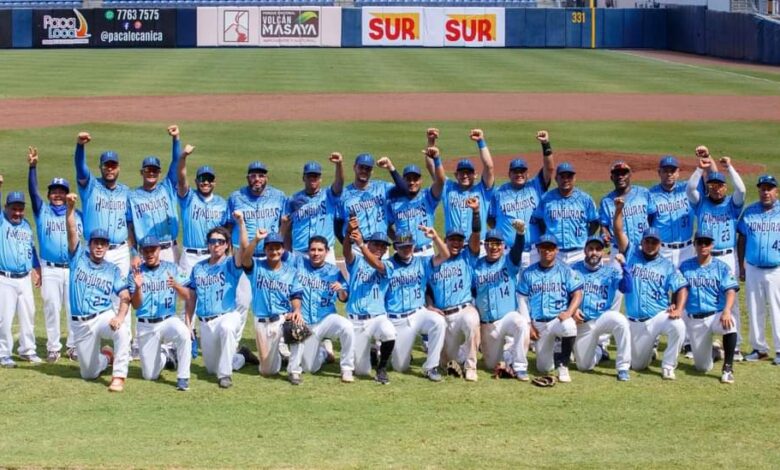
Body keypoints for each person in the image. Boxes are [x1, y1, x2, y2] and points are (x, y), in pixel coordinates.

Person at [359, 226, 449, 381]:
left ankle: (431, 367)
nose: (406, 249)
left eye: (409, 245)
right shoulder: (388, 265)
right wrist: (361, 245)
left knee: (438, 321)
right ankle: (384, 350)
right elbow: (376, 266)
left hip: (418, 313)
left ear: (414, 246)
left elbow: (445, 255)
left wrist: (435, 237)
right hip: (396, 319)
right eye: (402, 246)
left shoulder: (422, 262)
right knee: (400, 366)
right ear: (395, 247)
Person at [614, 197, 688, 380]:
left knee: (678, 325)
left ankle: (668, 365)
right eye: (647, 241)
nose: (650, 245)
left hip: (658, 316)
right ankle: (647, 353)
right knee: (638, 365)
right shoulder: (631, 254)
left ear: (659, 244)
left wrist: (678, 308)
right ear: (642, 242)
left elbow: (682, 287)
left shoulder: (666, 265)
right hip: (635, 321)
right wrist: (618, 211)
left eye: (654, 242)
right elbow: (618, 230)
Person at [65, 193, 131, 392]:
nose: (100, 247)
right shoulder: (78, 258)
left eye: (103, 243)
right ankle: (106, 357)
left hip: (103, 316)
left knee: (122, 331)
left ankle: (119, 376)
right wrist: (69, 210)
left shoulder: (112, 269)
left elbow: (125, 296)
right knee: (89, 373)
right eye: (96, 243)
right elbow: (71, 233)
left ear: (108, 246)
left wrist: (119, 317)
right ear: (90, 244)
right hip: (81, 323)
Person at [687, 150, 746, 361]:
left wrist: (729, 168)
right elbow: (690, 188)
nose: (716, 189)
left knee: (731, 299)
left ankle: (735, 344)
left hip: (727, 256)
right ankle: (698, 342)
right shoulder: (701, 203)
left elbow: (741, 189)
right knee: (700, 295)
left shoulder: (732, 204)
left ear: (724, 187)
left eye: (719, 185)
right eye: (712, 186)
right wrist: (699, 169)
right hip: (705, 256)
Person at [27, 146, 82, 363]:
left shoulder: (77, 214)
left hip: (73, 268)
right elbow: (32, 192)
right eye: (54, 191)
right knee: (51, 308)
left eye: (62, 191)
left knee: (72, 309)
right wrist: (32, 168)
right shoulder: (42, 211)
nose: (58, 195)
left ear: (68, 194)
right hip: (49, 268)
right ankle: (53, 347)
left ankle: (74, 346)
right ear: (49, 194)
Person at [238, 218, 304, 384]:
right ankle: (250, 355)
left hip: (282, 318)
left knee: (298, 327)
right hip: (262, 322)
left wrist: (296, 310)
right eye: (270, 248)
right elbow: (245, 259)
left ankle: (294, 371)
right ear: (265, 250)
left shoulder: (291, 271)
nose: (274, 251)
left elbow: (295, 295)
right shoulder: (257, 267)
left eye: (277, 248)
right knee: (267, 371)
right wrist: (256, 240)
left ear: (283, 250)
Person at [184, 225, 247, 389]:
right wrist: (188, 323)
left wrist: (241, 224)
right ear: (208, 244)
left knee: (227, 328)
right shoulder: (198, 268)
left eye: (221, 241)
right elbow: (191, 296)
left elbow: (243, 249)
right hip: (206, 323)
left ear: (227, 245)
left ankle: (225, 376)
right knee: (211, 369)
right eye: (213, 241)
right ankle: (241, 357)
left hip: (227, 315)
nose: (216, 245)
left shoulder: (231, 264)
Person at [227, 160, 287, 331]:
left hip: (270, 258)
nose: (257, 179)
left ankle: (279, 345)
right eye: (253, 175)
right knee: (241, 302)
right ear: (248, 178)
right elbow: (227, 227)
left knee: (274, 302)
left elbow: (285, 225)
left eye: (261, 175)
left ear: (266, 178)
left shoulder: (279, 197)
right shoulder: (235, 197)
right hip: (245, 258)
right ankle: (234, 348)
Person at [288, 236, 355, 382]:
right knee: (310, 368)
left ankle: (347, 368)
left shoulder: (334, 271)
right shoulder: (299, 263)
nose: (316, 253)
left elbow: (344, 298)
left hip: (326, 319)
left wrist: (341, 290)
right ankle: (324, 352)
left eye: (320, 250)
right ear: (308, 251)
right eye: (312, 250)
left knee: (347, 326)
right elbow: (284, 251)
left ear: (327, 251)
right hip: (304, 320)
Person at [129, 235, 192, 391]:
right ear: (141, 252)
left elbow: (188, 296)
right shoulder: (136, 274)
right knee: (149, 375)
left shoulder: (172, 268)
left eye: (153, 250)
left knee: (184, 333)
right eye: (146, 250)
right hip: (146, 324)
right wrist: (137, 288)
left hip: (168, 319)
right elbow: (136, 305)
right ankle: (165, 355)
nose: (150, 254)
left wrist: (177, 286)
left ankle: (183, 378)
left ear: (159, 250)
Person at [517, 234, 583, 383]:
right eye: (544, 247)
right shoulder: (528, 272)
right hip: (539, 323)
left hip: (556, 319)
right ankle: (556, 350)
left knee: (569, 326)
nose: (547, 251)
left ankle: (563, 365)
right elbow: (522, 298)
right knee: (544, 368)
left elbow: (578, 294)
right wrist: (529, 325)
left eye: (550, 247)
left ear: (556, 250)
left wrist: (569, 312)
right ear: (539, 249)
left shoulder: (565, 270)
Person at [487, 130, 555, 267]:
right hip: (508, 252)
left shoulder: (536, 186)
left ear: (527, 173)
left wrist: (545, 144)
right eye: (515, 172)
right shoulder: (498, 193)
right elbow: (491, 219)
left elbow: (550, 168)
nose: (519, 174)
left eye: (522, 172)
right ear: (509, 174)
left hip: (535, 253)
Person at [426, 215, 481, 382]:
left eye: (459, 240)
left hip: (464, 309)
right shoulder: (433, 263)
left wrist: (476, 213)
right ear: (445, 241)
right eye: (452, 240)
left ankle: (471, 366)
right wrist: (429, 306)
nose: (456, 243)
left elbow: (476, 235)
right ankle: (459, 358)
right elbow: (427, 290)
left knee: (472, 320)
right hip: (444, 316)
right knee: (447, 362)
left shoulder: (467, 258)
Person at [74, 131, 132, 287]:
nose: (110, 169)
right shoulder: (90, 186)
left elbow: (130, 223)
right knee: (93, 292)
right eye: (106, 165)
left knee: (122, 296)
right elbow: (80, 167)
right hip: (95, 250)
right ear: (100, 167)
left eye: (113, 165)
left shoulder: (126, 192)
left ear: (118, 168)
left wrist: (133, 253)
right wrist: (80, 146)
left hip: (121, 251)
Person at [680, 231, 739, 383]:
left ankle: (728, 368)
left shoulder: (722, 267)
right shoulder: (685, 267)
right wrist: (676, 305)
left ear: (712, 245)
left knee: (730, 324)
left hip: (716, 314)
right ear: (694, 245)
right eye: (700, 242)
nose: (703, 246)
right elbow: (680, 289)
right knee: (702, 367)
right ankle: (716, 352)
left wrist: (726, 311)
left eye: (707, 243)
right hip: (696, 319)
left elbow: (731, 291)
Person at [571, 236, 632, 381]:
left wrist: (624, 266)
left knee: (620, 321)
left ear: (603, 252)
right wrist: (572, 309)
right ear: (585, 250)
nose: (594, 252)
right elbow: (563, 293)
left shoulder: (610, 271)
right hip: (583, 322)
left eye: (598, 249)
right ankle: (598, 350)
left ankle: (623, 367)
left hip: (602, 318)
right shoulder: (573, 269)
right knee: (584, 366)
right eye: (591, 249)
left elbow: (627, 288)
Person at [473, 224, 530, 380]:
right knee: (491, 364)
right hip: (487, 324)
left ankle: (519, 367)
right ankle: (507, 358)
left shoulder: (509, 262)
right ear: (485, 245)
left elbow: (518, 250)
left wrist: (520, 234)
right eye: (490, 243)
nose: (494, 247)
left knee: (521, 323)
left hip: (507, 318)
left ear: (503, 246)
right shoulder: (476, 266)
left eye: (497, 244)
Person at [343, 221, 396, 384]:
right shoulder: (357, 261)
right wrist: (348, 234)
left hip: (376, 318)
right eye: (376, 244)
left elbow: (376, 264)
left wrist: (361, 244)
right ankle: (371, 352)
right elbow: (346, 252)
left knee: (389, 332)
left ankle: (382, 368)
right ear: (369, 244)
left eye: (383, 246)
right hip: (355, 320)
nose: (380, 248)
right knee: (362, 370)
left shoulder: (388, 265)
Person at [737, 174, 780, 364]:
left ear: (776, 191)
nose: (766, 192)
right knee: (755, 308)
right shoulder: (749, 212)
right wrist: (741, 265)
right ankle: (759, 349)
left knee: (777, 309)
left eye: (769, 188)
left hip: (775, 269)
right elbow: (742, 239)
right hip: (753, 267)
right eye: (763, 188)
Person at [127, 125, 183, 265]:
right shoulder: (132, 197)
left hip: (169, 250)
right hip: (147, 252)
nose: (151, 173)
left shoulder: (168, 187)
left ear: (159, 173)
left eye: (155, 170)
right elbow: (130, 228)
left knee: (173, 285)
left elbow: (177, 162)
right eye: (148, 170)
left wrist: (176, 139)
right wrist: (133, 253)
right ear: (142, 172)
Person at [0, 190, 42, 367]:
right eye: (13, 209)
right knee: (4, 318)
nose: (17, 212)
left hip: (24, 279)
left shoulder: (25, 225)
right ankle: (3, 353)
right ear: (6, 208)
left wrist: (37, 267)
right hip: (5, 279)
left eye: (20, 209)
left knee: (28, 315)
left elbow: (31, 249)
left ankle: (28, 350)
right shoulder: (1, 222)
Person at [335, 153, 408, 250]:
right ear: (354, 167)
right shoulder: (343, 195)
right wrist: (347, 245)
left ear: (372, 171)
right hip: (357, 248)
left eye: (368, 168)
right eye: (361, 167)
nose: (364, 171)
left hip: (380, 245)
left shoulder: (382, 188)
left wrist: (390, 167)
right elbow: (337, 226)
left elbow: (404, 190)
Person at [176, 144, 229, 277]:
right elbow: (181, 179)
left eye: (209, 179)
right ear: (196, 181)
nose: (205, 182)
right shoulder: (188, 198)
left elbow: (227, 231)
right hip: (190, 257)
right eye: (202, 179)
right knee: (188, 295)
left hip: (215, 254)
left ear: (214, 182)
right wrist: (183, 158)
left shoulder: (222, 204)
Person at [531, 162, 599, 264]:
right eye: (562, 176)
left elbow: (594, 221)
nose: (566, 180)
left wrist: (585, 235)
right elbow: (539, 219)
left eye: (569, 176)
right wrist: (547, 235)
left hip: (579, 252)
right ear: (556, 179)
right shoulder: (547, 199)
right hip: (554, 252)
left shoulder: (585, 199)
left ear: (574, 178)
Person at [285, 155, 344, 264]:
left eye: (315, 176)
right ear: (304, 178)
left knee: (330, 281)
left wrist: (339, 164)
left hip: (325, 254)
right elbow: (287, 230)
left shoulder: (329, 195)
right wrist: (288, 254)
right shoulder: (293, 200)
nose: (313, 179)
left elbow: (339, 184)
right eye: (310, 176)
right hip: (300, 254)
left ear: (320, 178)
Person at [388, 146, 444, 258]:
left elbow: (441, 181)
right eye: (408, 179)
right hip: (403, 253)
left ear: (421, 180)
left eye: (415, 179)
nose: (412, 182)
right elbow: (386, 225)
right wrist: (396, 240)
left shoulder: (428, 196)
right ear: (402, 180)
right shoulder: (394, 202)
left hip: (426, 253)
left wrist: (437, 159)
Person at [439, 129, 495, 240]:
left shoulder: (483, 191)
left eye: (468, 173)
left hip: (479, 247)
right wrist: (433, 150)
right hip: (454, 246)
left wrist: (481, 141)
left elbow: (489, 167)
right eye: (461, 173)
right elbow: (434, 170)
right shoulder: (448, 189)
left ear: (475, 175)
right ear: (456, 175)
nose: (465, 176)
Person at [599, 160, 656, 261]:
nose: (620, 177)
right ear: (612, 178)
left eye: (623, 173)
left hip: (642, 248)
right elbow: (604, 226)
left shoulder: (643, 193)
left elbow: (652, 217)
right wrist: (604, 235)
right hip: (618, 250)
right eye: (617, 174)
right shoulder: (606, 201)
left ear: (630, 175)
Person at [650, 156, 696, 267]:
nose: (669, 174)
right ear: (659, 172)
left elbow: (709, 178)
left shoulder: (688, 190)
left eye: (672, 171)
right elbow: (647, 223)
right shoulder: (650, 195)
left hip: (687, 250)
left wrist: (706, 160)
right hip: (662, 250)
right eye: (665, 171)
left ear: (678, 172)